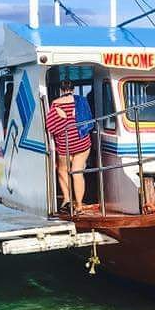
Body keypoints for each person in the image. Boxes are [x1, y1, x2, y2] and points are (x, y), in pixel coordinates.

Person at [45, 79, 93, 213]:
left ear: (61, 90)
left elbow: (51, 127)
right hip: (82, 142)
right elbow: (89, 120)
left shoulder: (55, 104)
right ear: (73, 89)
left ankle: (66, 199)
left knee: (62, 170)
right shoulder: (81, 101)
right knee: (77, 172)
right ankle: (79, 205)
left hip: (65, 144)